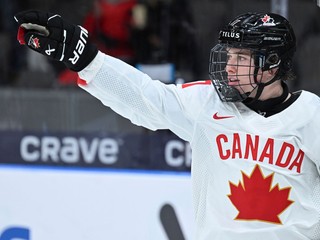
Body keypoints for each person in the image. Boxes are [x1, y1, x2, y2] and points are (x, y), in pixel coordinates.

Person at [14, 10, 320, 239]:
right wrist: (87, 60)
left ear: (272, 64)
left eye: (241, 58)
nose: (228, 66)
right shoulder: (207, 104)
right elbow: (146, 98)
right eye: (228, 55)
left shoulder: (311, 115)